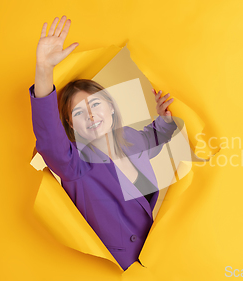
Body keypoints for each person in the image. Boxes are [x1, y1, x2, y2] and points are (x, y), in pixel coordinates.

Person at [29, 15, 178, 271]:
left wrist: (164, 119)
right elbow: (49, 138)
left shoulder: (130, 139)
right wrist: (44, 69)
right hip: (116, 269)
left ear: (110, 108)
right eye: (77, 113)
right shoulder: (73, 165)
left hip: (160, 257)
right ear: (71, 125)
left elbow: (154, 136)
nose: (90, 114)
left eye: (95, 104)